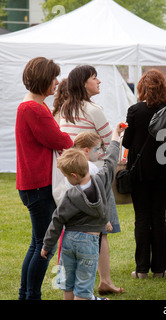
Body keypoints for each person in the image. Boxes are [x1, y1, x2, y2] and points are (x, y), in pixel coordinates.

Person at [41, 123, 126, 300]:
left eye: (66, 176)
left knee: (67, 285)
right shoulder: (101, 180)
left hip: (69, 242)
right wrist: (116, 136)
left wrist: (47, 246)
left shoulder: (70, 195)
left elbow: (56, 220)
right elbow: (111, 160)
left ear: (73, 175)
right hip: (90, 241)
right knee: (83, 289)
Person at [60, 65, 123, 295]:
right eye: (94, 78)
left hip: (72, 179)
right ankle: (104, 280)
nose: (99, 81)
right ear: (83, 83)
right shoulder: (93, 109)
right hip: (94, 177)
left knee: (74, 231)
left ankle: (69, 285)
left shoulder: (65, 108)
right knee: (101, 231)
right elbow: (107, 142)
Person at [15, 57, 74, 300]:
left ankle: (26, 294)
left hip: (32, 184)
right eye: (53, 78)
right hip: (39, 185)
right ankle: (31, 296)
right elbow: (60, 140)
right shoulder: (34, 109)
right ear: (43, 80)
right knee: (44, 247)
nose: (57, 82)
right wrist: (70, 141)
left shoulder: (28, 106)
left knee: (37, 244)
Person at [122, 69, 166, 279]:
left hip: (139, 171)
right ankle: (159, 269)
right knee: (159, 218)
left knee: (142, 218)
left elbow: (127, 142)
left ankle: (141, 269)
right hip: (163, 170)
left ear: (142, 87)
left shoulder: (135, 110)